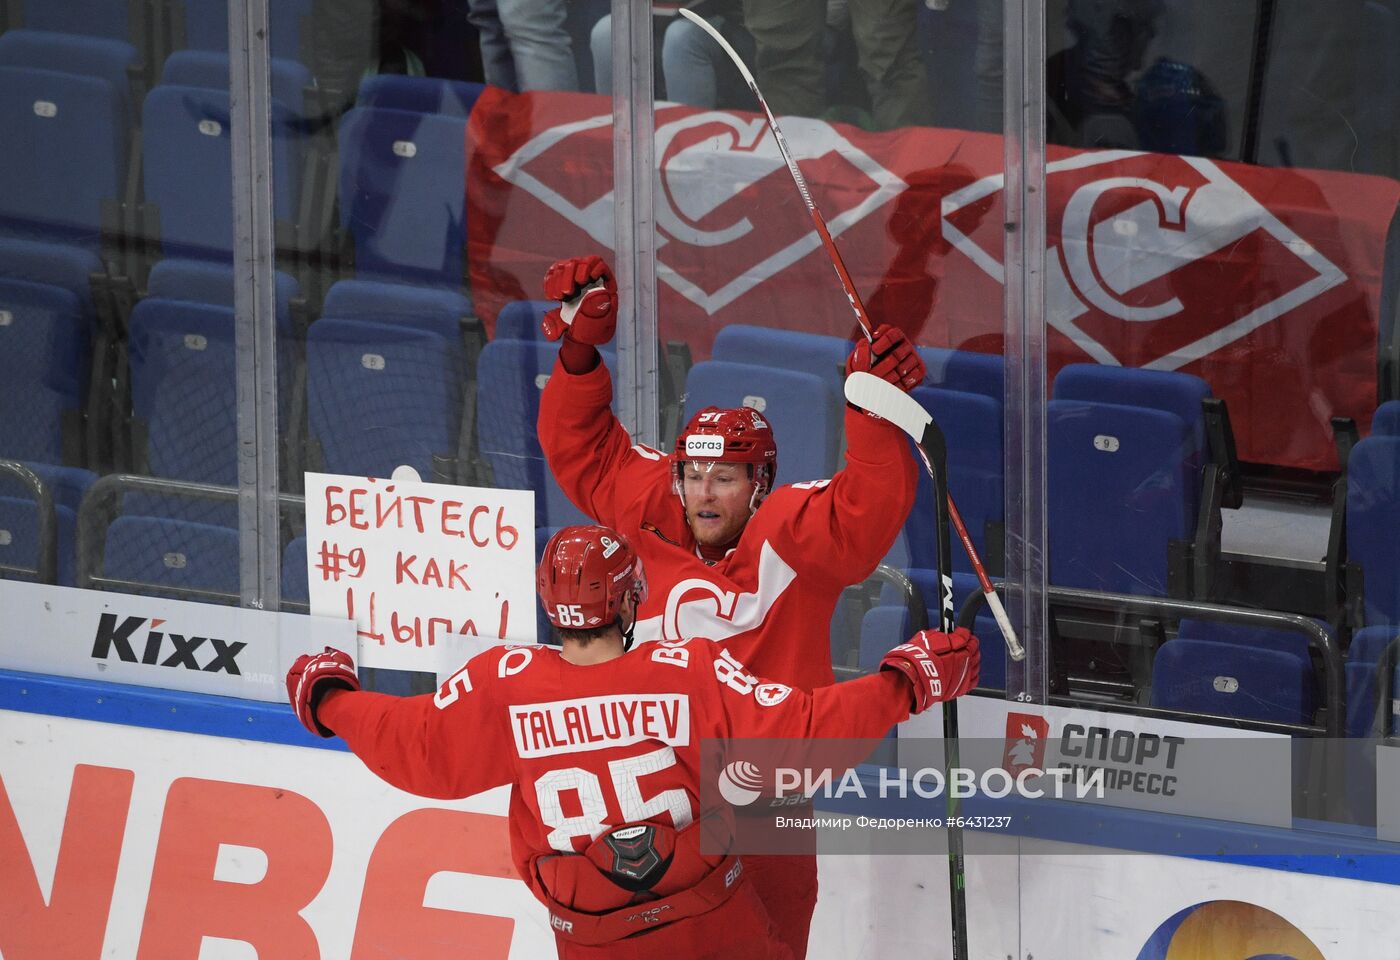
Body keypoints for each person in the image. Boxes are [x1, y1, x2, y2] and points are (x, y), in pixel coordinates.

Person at [287, 525, 981, 959]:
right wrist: (905, 682)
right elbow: (798, 737)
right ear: (626, 602)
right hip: (711, 932)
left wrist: (331, 699)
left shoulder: (506, 682)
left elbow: (414, 748)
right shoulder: (686, 669)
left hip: (593, 941)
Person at [535, 254, 926, 957]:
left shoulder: (791, 530)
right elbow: (584, 449)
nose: (704, 494)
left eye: (724, 478)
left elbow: (863, 514)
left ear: (760, 481)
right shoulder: (651, 503)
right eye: (693, 475)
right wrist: (578, 351)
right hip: (660, 793)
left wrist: (868, 411)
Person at [589, 1, 754, 109]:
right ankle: (615, 143)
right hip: (655, 13)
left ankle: (689, 148)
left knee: (680, 38)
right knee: (607, 33)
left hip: (728, 16)